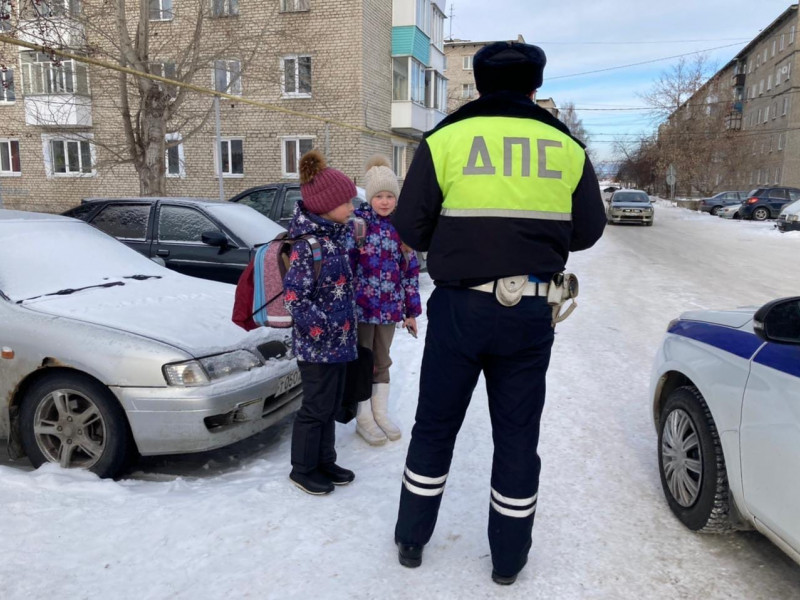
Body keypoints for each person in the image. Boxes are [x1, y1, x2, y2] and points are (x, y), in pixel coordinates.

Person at [391, 41, 606, 584]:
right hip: (530, 311)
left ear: (479, 85)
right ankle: (508, 562)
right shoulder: (567, 146)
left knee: (435, 426)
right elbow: (587, 231)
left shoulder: (444, 139)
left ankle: (412, 540)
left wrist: (464, 240)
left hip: (459, 308)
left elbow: (411, 228)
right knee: (516, 437)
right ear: (535, 87)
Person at [284, 149, 359, 496]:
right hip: (318, 345)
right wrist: (323, 328)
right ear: (325, 205)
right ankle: (302, 468)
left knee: (329, 405)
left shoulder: (335, 237)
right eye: (346, 202)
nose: (352, 207)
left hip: (339, 342)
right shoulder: (308, 245)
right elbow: (295, 297)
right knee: (315, 408)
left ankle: (325, 460)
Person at [351, 156, 422, 446]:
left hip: (390, 309)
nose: (384, 201)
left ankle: (380, 412)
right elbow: (347, 267)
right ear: (370, 197)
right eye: (379, 196)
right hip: (362, 309)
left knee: (383, 360)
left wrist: (411, 311)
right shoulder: (358, 226)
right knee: (363, 361)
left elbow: (410, 272)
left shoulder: (400, 228)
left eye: (389, 196)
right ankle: (364, 417)